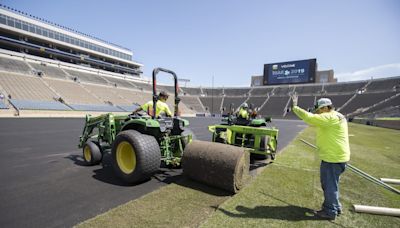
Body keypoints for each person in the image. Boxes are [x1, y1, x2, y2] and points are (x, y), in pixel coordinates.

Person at [290, 95, 350, 220]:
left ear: (324, 108)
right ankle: (336, 207)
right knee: (333, 185)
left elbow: (309, 117)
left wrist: (295, 107)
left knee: (329, 185)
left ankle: (330, 211)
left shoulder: (329, 117)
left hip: (332, 158)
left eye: (318, 110)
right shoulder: (338, 115)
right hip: (337, 156)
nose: (318, 113)